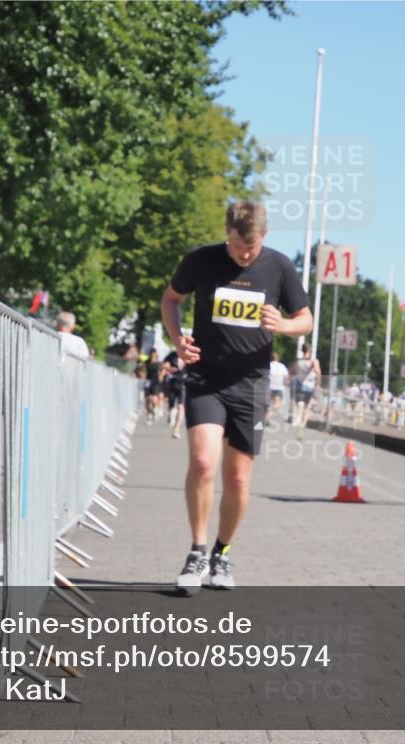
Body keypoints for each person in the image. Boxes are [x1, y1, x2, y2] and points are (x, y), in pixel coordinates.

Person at [161, 201, 312, 594]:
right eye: (236, 246)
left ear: (265, 237)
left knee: (239, 477)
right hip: (206, 375)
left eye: (252, 247)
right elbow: (171, 299)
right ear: (226, 233)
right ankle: (196, 551)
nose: (244, 254)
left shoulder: (278, 267)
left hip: (252, 382)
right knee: (202, 460)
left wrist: (285, 324)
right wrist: (178, 340)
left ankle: (221, 553)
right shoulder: (202, 260)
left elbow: (307, 319)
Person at [291, 343, 321, 439]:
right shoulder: (314, 361)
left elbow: (292, 371)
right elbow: (318, 372)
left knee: (300, 403)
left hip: (299, 384)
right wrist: (318, 384)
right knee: (307, 406)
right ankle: (303, 424)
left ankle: (299, 419)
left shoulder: (298, 361)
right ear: (309, 351)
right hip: (309, 385)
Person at [162, 347, 186, 439]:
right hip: (173, 383)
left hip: (184, 384)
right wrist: (170, 369)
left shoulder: (191, 353)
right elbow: (164, 365)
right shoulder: (172, 355)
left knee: (181, 407)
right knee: (171, 405)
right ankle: (170, 415)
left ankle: (177, 428)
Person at [267, 352, 289, 427]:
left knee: (269, 403)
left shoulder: (269, 365)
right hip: (279, 387)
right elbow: (286, 376)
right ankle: (270, 413)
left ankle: (268, 414)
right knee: (277, 403)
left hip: (269, 386)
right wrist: (286, 384)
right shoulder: (282, 366)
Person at [144, 348, 161, 425]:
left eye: (153, 353)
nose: (152, 355)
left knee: (154, 399)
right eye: (151, 353)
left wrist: (161, 375)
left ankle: (155, 410)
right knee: (147, 400)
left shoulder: (158, 363)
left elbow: (163, 369)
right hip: (148, 381)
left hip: (156, 382)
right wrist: (142, 374)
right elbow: (141, 369)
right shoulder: (146, 362)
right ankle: (149, 415)